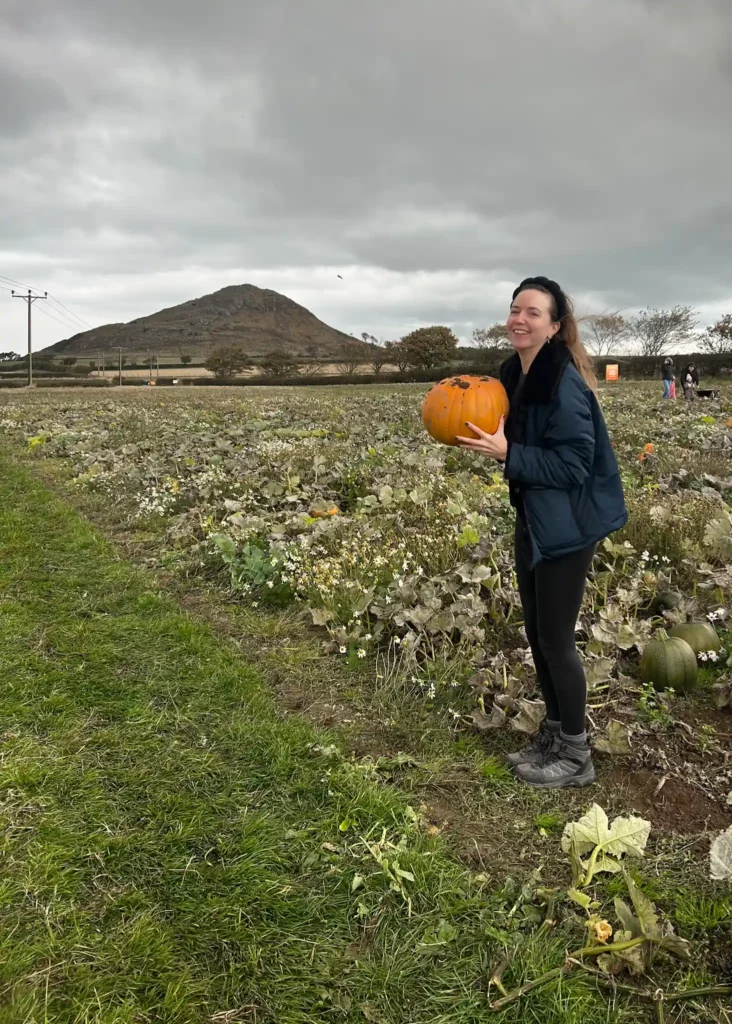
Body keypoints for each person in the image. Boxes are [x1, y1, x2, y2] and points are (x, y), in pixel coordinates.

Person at [456, 277, 627, 789]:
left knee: (556, 640)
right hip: (536, 518)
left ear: (554, 327)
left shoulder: (563, 381)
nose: (519, 319)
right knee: (538, 635)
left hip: (570, 526)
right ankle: (554, 736)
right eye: (515, 309)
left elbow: (574, 465)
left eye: (533, 312)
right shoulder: (515, 375)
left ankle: (576, 755)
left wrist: (510, 455)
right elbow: (520, 446)